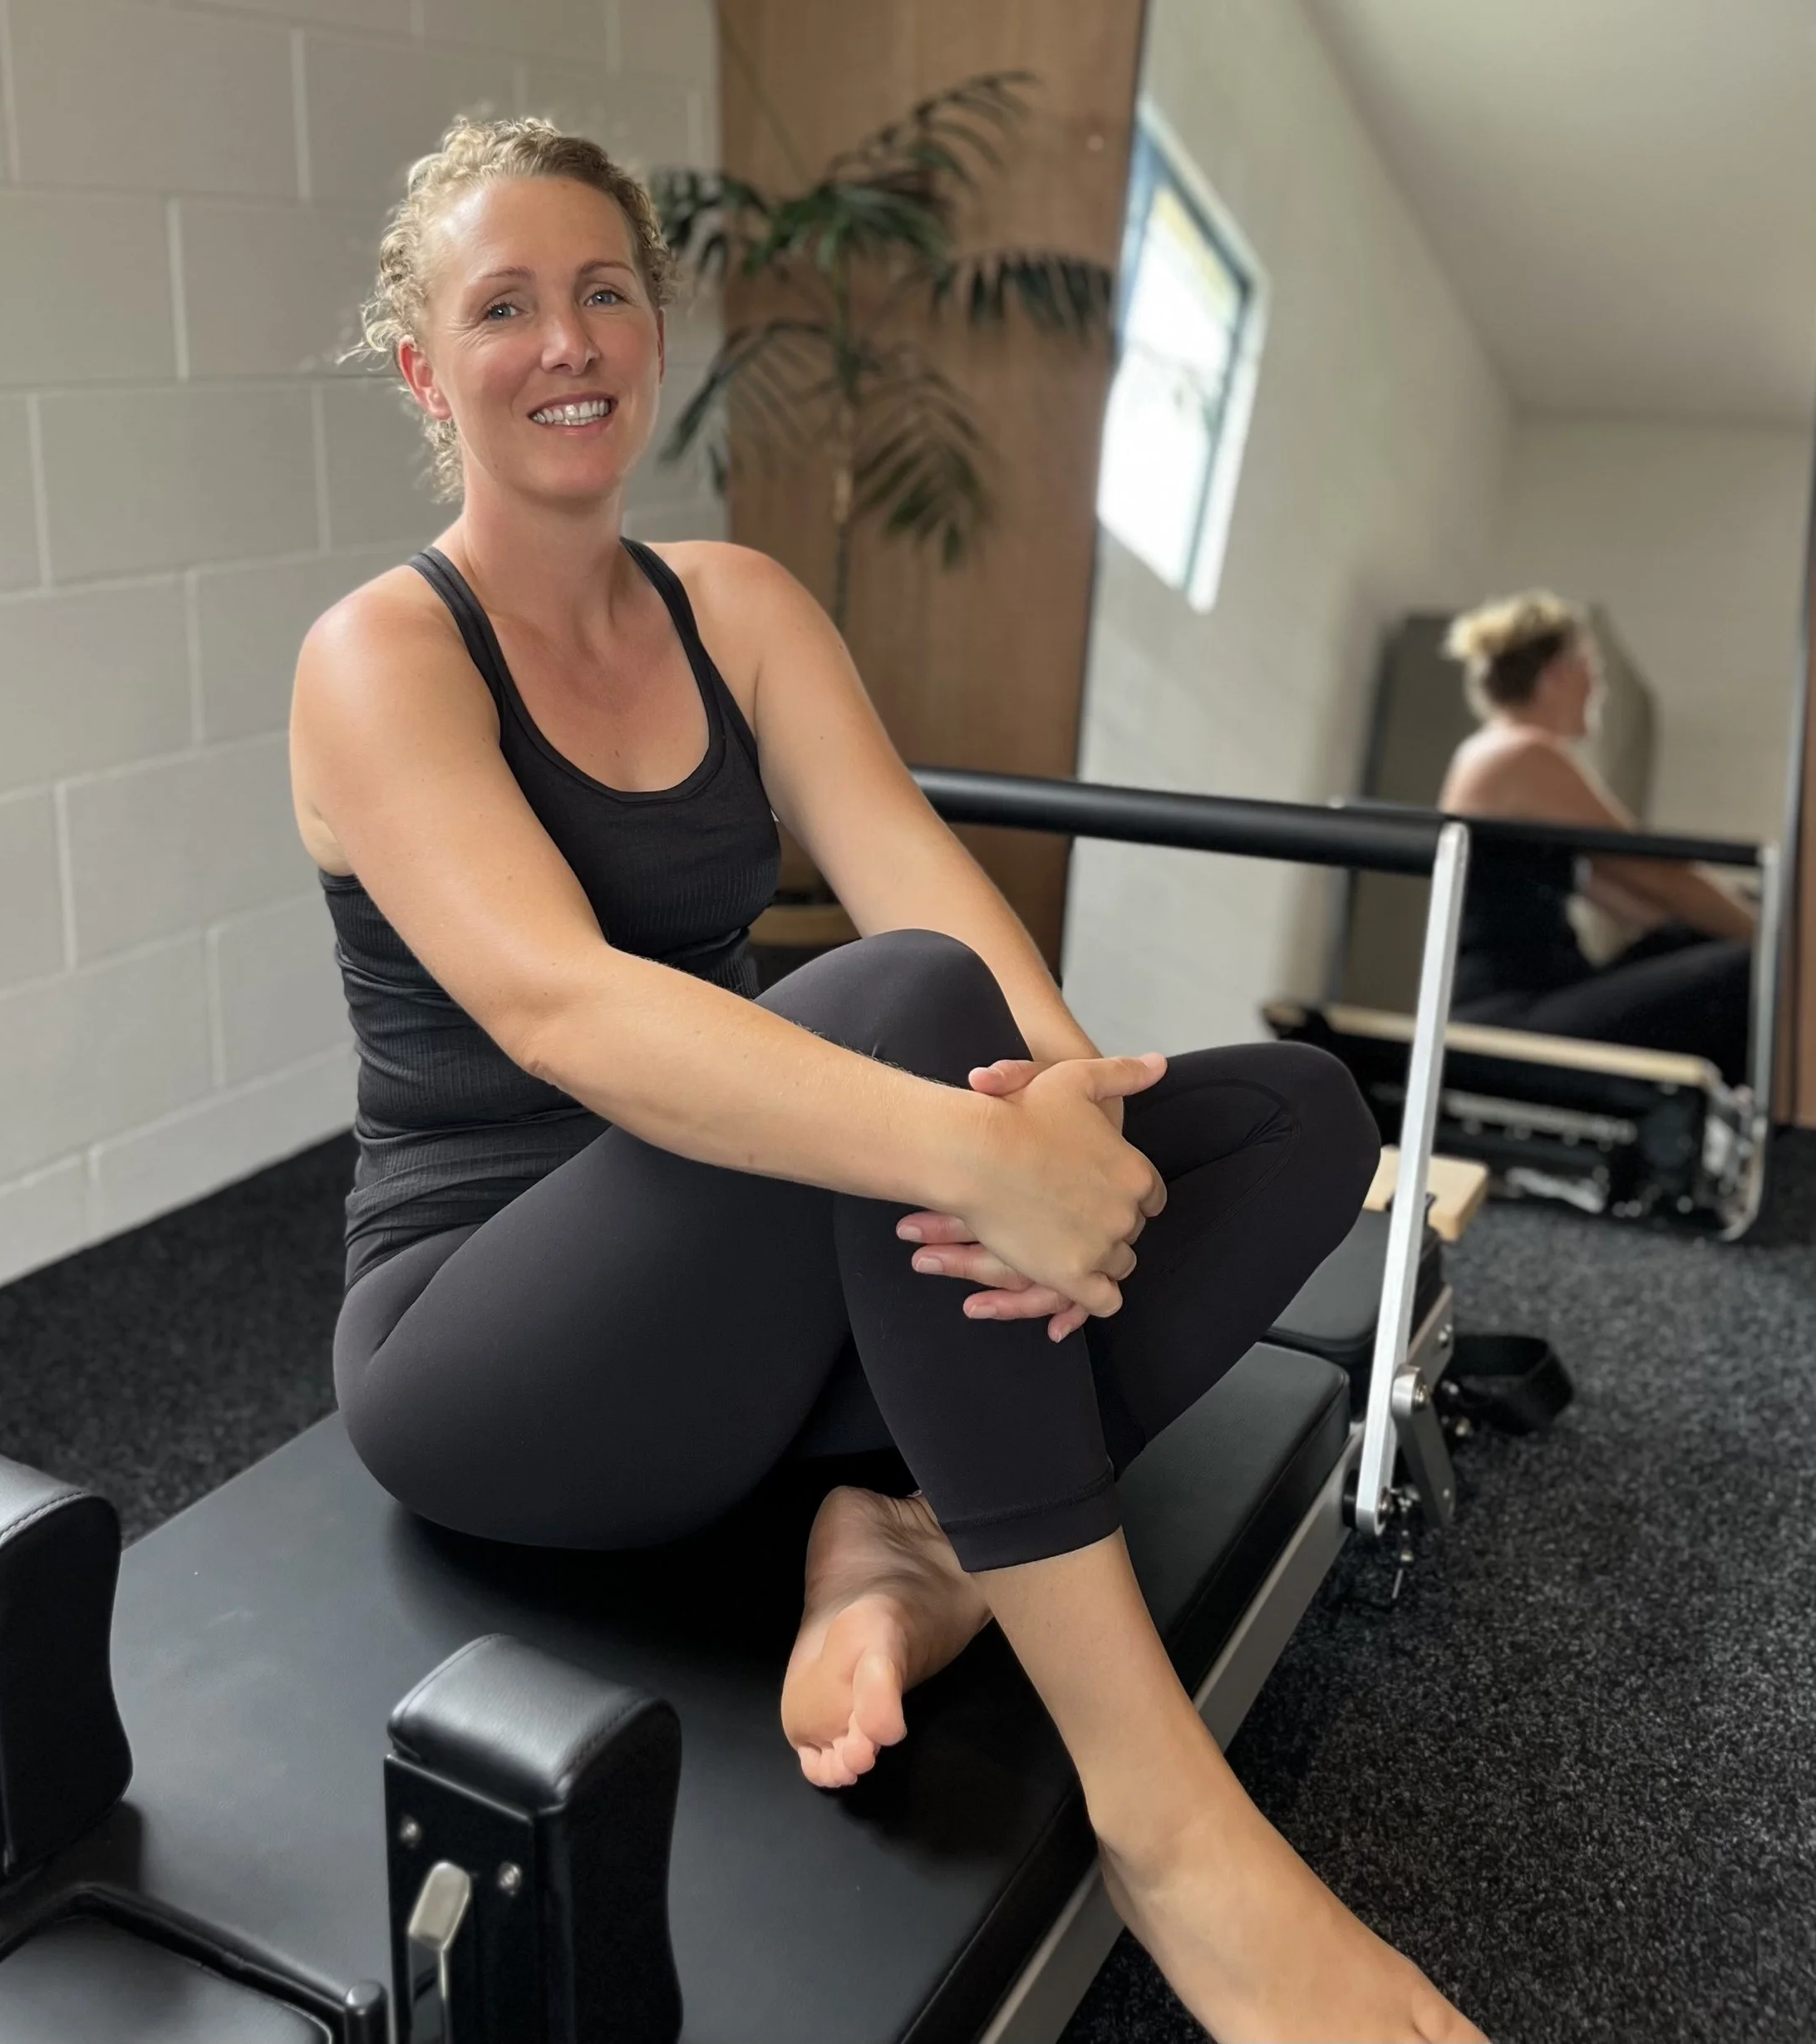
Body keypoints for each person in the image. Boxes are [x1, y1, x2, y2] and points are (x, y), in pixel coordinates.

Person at [288, 115, 1480, 2042]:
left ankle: (913, 1542)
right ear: (429, 370)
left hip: (757, 1287)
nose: (568, 338)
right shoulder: (379, 658)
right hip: (493, 1348)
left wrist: (1071, 1119)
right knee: (903, 1007)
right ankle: (1173, 1829)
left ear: (654, 334)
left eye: (605, 290)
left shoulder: (735, 607)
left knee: (1293, 1123)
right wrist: (965, 1140)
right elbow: (567, 1013)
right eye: (502, 305)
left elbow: (922, 872)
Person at [1440, 593, 1754, 1085]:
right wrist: (1781, 946)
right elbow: (1662, 877)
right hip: (1511, 1011)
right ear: (1560, 672)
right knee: (1756, 971)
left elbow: (1641, 904)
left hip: (1540, 993)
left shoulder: (1497, 754)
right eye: (1594, 671)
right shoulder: (1522, 754)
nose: (1597, 690)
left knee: (1721, 937)